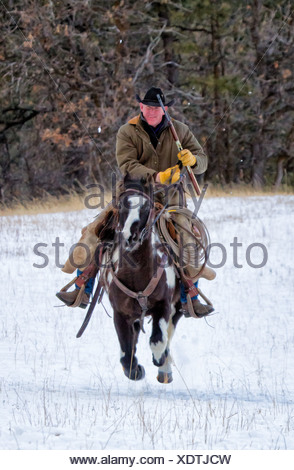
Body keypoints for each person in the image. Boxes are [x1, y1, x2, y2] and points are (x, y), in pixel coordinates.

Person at [57, 87, 215, 317]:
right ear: (141, 107)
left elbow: (203, 161)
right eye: (147, 107)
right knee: (96, 232)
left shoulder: (180, 131)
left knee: (188, 241)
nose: (151, 112)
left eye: (156, 108)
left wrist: (193, 160)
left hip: (171, 201)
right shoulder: (127, 132)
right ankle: (82, 288)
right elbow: (128, 165)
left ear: (165, 109)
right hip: (132, 195)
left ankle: (190, 297)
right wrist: (157, 177)